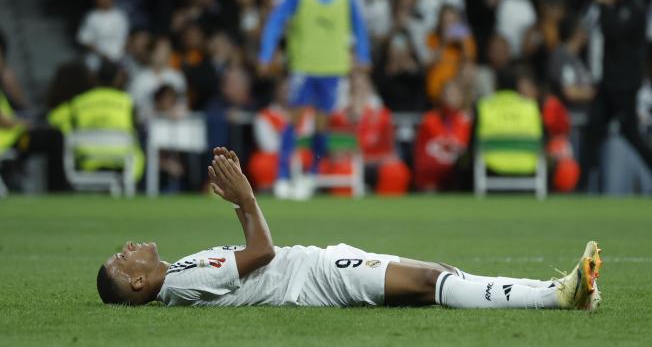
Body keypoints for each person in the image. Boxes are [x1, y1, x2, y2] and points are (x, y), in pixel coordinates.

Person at [97, 146, 602, 310]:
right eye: (122, 261)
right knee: (431, 282)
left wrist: (242, 202)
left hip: (316, 270)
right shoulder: (181, 282)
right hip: (316, 276)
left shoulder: (180, 273)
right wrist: (247, 197)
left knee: (438, 275)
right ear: (138, 283)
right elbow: (262, 253)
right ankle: (556, 296)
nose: (127, 249)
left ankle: (556, 289)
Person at [258, 0, 371, 199]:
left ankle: (312, 175)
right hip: (303, 64)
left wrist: (363, 54)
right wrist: (266, 52)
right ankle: (282, 177)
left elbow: (358, 22)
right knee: (294, 118)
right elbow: (277, 18)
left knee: (322, 122)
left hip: (333, 66)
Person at [581, 0, 652, 189]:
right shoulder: (617, 4)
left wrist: (604, 6)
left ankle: (583, 182)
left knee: (631, 133)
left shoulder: (636, 5)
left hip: (626, 84)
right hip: (609, 82)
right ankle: (581, 184)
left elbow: (613, 32)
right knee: (593, 129)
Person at [76, 0, 129, 71]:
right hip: (97, 60)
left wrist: (118, 56)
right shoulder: (91, 17)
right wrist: (103, 55)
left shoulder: (120, 16)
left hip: (119, 59)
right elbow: (84, 40)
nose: (104, 0)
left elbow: (126, 37)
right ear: (96, 0)